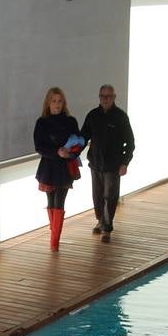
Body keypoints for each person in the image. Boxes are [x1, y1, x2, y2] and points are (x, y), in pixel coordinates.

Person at [80, 85, 136, 243]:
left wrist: (125, 163)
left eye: (108, 96)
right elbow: (83, 137)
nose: (105, 99)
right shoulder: (93, 115)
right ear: (99, 97)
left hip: (113, 165)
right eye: (102, 96)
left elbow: (130, 143)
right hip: (95, 163)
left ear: (114, 97)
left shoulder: (121, 117)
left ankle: (107, 228)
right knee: (97, 196)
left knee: (110, 196)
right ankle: (100, 220)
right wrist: (72, 151)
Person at [34, 87, 82, 251]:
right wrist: (57, 151)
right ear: (48, 103)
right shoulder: (41, 122)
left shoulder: (71, 121)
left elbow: (79, 143)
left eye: (60, 101)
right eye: (54, 101)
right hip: (48, 166)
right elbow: (39, 147)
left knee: (59, 202)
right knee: (50, 202)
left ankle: (54, 241)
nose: (57, 104)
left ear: (64, 103)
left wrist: (70, 153)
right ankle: (54, 233)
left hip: (64, 167)